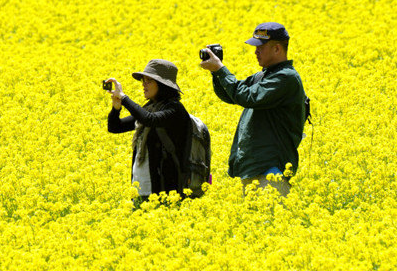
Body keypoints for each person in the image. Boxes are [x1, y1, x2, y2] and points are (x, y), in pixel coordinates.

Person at [200, 22, 306, 196]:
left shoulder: (286, 77)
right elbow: (231, 94)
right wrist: (215, 72)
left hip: (271, 170)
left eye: (260, 47)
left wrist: (220, 69)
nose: (256, 51)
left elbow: (247, 97)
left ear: (277, 49)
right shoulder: (264, 75)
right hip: (254, 168)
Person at [106, 59, 191, 202]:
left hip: (167, 190)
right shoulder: (150, 107)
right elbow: (115, 127)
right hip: (142, 188)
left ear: (163, 85)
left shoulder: (175, 109)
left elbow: (149, 119)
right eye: (143, 81)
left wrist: (125, 98)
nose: (143, 85)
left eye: (149, 81)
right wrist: (116, 108)